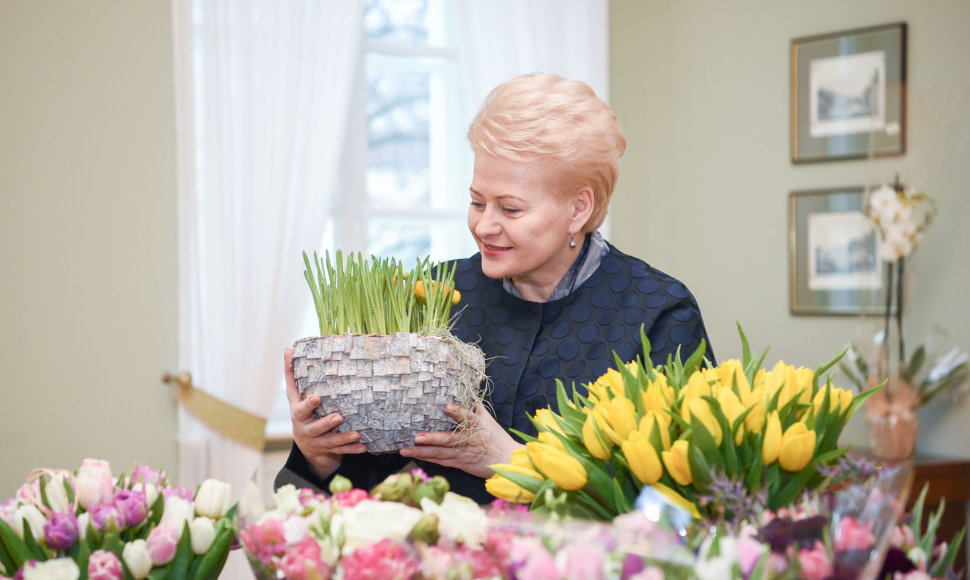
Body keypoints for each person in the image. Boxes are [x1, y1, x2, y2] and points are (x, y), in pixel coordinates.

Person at [276, 73, 715, 503]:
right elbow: (367, 479)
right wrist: (318, 455)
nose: (484, 225)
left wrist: (511, 461)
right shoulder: (436, 297)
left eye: (510, 208)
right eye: (476, 201)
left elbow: (684, 500)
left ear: (579, 208)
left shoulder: (658, 314)